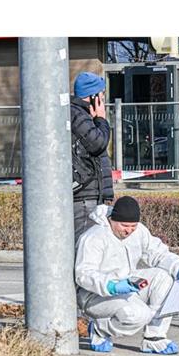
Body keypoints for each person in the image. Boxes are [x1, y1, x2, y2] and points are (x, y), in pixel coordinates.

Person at [75, 196, 179, 354]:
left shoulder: (139, 231)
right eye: (124, 225)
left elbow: (158, 253)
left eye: (133, 226)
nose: (129, 230)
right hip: (94, 295)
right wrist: (112, 286)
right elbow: (83, 274)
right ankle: (100, 329)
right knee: (138, 314)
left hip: (127, 286)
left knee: (164, 278)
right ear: (112, 220)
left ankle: (154, 337)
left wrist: (178, 268)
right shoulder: (94, 237)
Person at [71, 72, 115, 244]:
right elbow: (98, 143)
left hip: (91, 196)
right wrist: (101, 119)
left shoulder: (83, 115)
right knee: (85, 246)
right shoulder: (78, 115)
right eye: (102, 96)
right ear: (94, 97)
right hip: (85, 197)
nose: (103, 101)